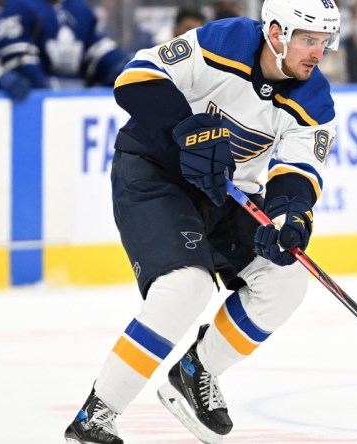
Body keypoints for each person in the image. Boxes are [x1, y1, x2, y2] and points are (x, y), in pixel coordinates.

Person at [63, 0, 339, 442]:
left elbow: (298, 172)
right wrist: (188, 130)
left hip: (227, 195)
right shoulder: (224, 41)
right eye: (308, 39)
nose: (317, 53)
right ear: (276, 33)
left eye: (325, 42)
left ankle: (197, 370)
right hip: (155, 174)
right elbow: (135, 78)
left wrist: (289, 218)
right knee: (185, 287)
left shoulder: (314, 99)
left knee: (285, 282)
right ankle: (96, 414)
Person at [0, 0, 129, 88]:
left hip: (77, 96)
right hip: (34, 100)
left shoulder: (80, 9)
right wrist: (44, 85)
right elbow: (17, 57)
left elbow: (94, 47)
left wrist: (118, 62)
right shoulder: (19, 6)